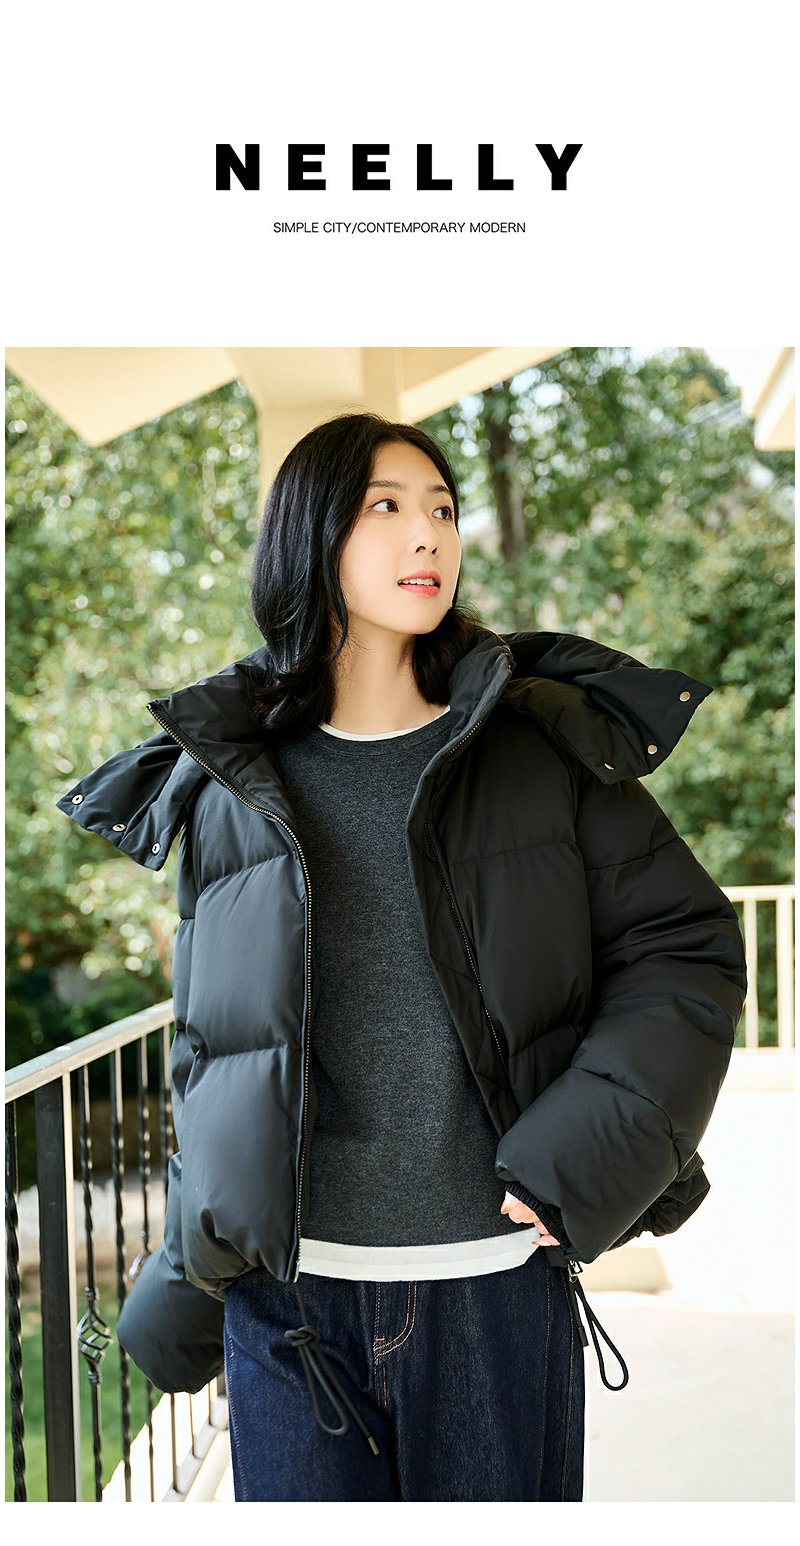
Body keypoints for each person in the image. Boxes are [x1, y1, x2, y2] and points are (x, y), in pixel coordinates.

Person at [56, 411, 747, 1503]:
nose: (428, 533)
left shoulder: (536, 748)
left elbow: (684, 948)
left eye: (442, 509)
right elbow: (216, 1046)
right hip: (291, 1310)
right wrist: (199, 1261)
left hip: (491, 1291)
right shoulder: (232, 782)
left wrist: (577, 1159)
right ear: (310, 536)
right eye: (385, 506)